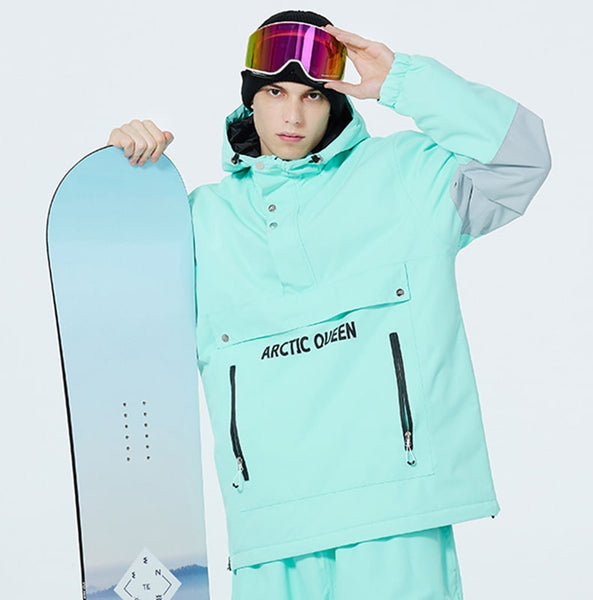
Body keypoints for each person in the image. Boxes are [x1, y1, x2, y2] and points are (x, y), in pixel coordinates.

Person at [108, 10, 551, 600]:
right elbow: (119, 306)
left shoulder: (406, 177)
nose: (293, 116)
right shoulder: (201, 220)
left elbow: (522, 158)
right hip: (270, 531)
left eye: (312, 95)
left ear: (335, 100)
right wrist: (124, 181)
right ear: (249, 100)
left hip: (398, 514)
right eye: (275, 93)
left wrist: (402, 81)